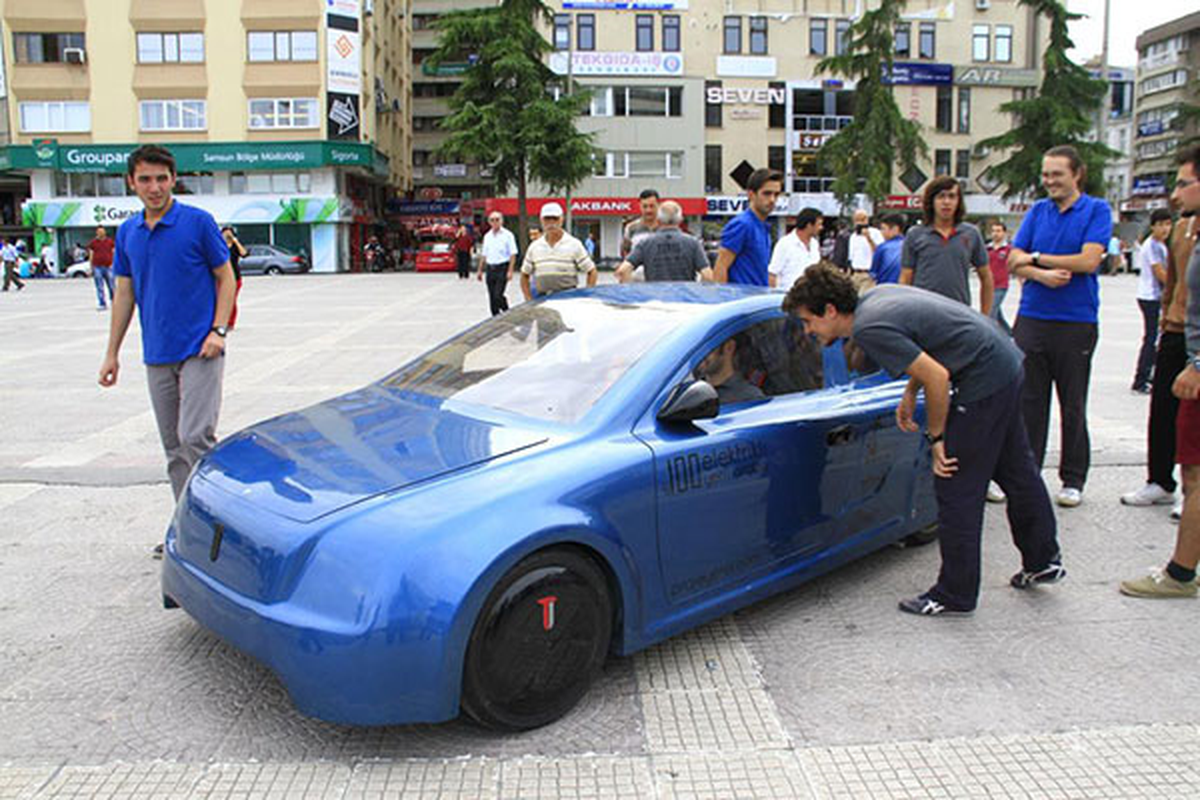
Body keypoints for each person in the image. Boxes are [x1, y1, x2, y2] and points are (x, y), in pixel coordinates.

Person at [784, 267, 1063, 615]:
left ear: (829, 310)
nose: (808, 331)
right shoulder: (876, 298)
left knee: (955, 485)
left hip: (983, 380)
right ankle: (1043, 560)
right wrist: (909, 391)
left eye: (809, 321)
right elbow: (928, 350)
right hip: (1005, 364)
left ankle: (954, 593)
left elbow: (937, 376)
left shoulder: (868, 328)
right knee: (1016, 472)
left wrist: (937, 438)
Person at [97, 144, 236, 553]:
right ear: (131, 182)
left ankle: (223, 527)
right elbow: (124, 294)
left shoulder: (197, 222)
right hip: (157, 353)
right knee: (174, 448)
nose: (154, 187)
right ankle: (189, 526)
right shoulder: (128, 232)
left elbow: (225, 277)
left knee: (195, 436)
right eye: (145, 179)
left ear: (174, 179)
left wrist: (219, 330)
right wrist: (112, 353)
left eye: (161, 178)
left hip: (200, 348)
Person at [1007, 144, 1112, 508]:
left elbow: (1089, 260)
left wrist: (1034, 259)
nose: (1049, 181)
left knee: (1072, 403)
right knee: (1029, 402)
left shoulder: (1096, 209)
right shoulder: (1038, 211)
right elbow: (1012, 260)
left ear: (1076, 174)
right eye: (1046, 174)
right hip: (1032, 317)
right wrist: (1042, 273)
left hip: (1076, 321)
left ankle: (1073, 478)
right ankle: (1027, 472)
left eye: (1057, 174)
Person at [1120, 144, 1200, 599]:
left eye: (1184, 182)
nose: (1175, 193)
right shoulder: (1187, 231)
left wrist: (1198, 363)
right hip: (1180, 344)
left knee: (1194, 474)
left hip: (1196, 365)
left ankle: (1181, 574)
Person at [1123, 209, 1197, 513]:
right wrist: (1166, 317)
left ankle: (1193, 493)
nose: (1177, 193)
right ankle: (1161, 481)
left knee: (1193, 418)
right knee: (1163, 408)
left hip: (1198, 337)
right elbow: (1173, 281)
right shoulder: (1181, 229)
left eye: (1184, 183)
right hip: (1175, 330)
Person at [900, 177, 993, 316]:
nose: (946, 202)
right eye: (940, 196)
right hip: (922, 313)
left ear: (958, 201)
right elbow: (905, 278)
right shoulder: (915, 234)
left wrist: (985, 316)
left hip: (959, 313)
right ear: (931, 201)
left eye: (952, 196)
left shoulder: (971, 234)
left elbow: (986, 277)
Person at [714, 168, 782, 285]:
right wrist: (722, 299)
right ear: (751, 194)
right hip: (741, 300)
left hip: (757, 299)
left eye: (776, 194)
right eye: (767, 193)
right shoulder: (742, 225)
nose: (772, 200)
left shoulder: (762, 226)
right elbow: (721, 267)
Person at [616, 201, 712, 283]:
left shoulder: (645, 243)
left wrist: (632, 294)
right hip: (684, 299)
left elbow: (623, 271)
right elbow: (707, 275)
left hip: (655, 301)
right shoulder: (693, 243)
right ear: (681, 220)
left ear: (658, 220)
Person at [1130, 210, 1173, 394]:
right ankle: (1141, 379)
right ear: (1153, 226)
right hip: (1151, 297)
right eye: (1161, 224)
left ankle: (1149, 375)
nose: (1165, 229)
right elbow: (1160, 273)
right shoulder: (1153, 246)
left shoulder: (1161, 245)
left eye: (1168, 224)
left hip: (1154, 296)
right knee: (1152, 338)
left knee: (1155, 337)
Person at [520, 202, 596, 300]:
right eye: (547, 219)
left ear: (561, 220)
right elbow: (524, 274)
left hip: (567, 298)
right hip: (542, 299)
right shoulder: (534, 247)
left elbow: (591, 271)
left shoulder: (574, 244)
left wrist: (587, 295)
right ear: (541, 220)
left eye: (555, 219)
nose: (551, 223)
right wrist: (528, 298)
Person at [696, 333, 765, 405]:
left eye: (707, 347)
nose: (700, 354)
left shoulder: (749, 396)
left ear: (729, 347)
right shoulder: (691, 390)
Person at [768, 207, 823, 290]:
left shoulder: (814, 244)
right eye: (819, 224)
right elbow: (772, 274)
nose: (821, 228)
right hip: (787, 296)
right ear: (809, 225)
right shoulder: (785, 244)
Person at [477, 211, 518, 316]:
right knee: (491, 297)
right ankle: (495, 318)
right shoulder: (487, 236)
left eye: (497, 219)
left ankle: (506, 311)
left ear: (502, 221)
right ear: (489, 222)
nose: (495, 222)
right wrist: (480, 270)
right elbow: (484, 254)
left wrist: (510, 271)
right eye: (492, 220)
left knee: (498, 295)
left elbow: (513, 254)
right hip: (490, 269)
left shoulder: (508, 235)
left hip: (502, 268)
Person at [987, 220, 1013, 335]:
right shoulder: (987, 249)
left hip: (1001, 286)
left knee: (991, 313)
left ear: (1004, 233)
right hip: (988, 286)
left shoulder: (1009, 249)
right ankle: (1010, 334)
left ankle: (991, 338)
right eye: (993, 231)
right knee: (998, 315)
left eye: (998, 231)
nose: (995, 234)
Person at [869, 213, 906, 286]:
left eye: (883, 228)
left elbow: (873, 274)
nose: (881, 232)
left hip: (884, 289)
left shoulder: (883, 248)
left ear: (895, 229)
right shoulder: (911, 246)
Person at [621, 189, 660, 258]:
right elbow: (626, 253)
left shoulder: (666, 227)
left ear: (658, 205)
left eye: (652, 206)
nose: (648, 210)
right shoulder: (631, 228)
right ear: (639, 206)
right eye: (645, 206)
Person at [221, 226, 247, 329]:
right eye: (225, 233)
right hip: (221, 277)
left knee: (231, 300)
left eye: (229, 233)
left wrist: (235, 241)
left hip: (235, 277)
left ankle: (230, 323)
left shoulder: (235, 246)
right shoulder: (219, 245)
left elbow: (244, 254)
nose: (227, 235)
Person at [88, 226, 116, 310]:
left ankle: (114, 301)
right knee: (99, 286)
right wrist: (91, 267)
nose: (100, 233)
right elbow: (91, 254)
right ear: (96, 233)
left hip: (109, 266)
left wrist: (115, 264)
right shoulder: (93, 243)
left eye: (102, 231)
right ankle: (102, 303)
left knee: (112, 285)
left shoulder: (110, 242)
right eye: (99, 232)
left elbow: (114, 253)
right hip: (97, 267)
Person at [848, 209, 883, 274]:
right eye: (857, 220)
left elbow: (879, 252)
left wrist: (869, 239)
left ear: (867, 220)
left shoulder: (876, 233)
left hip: (870, 272)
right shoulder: (853, 236)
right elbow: (851, 257)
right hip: (856, 272)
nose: (860, 222)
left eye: (862, 219)